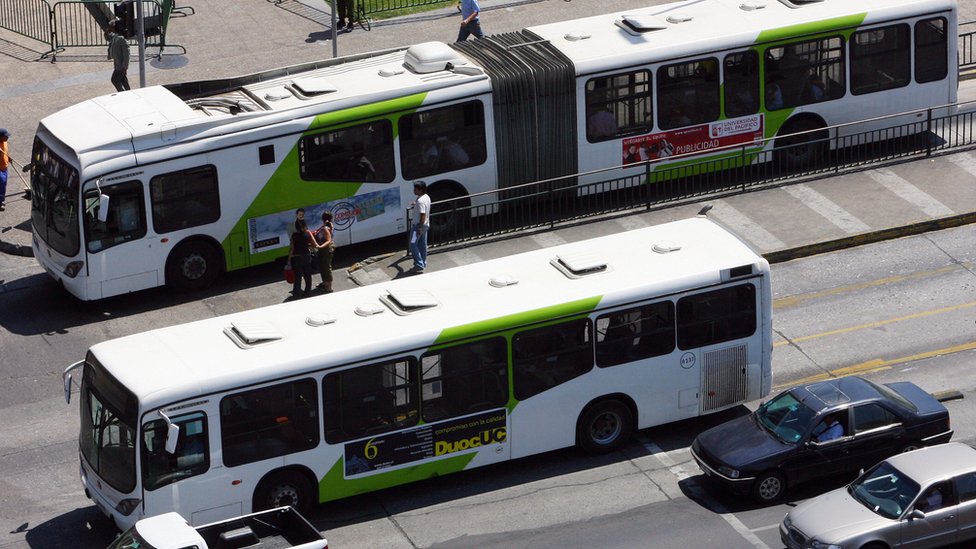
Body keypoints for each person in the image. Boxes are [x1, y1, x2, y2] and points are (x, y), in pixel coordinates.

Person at [287, 219, 315, 296]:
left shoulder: (294, 235)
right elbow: (313, 245)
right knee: (307, 275)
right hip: (306, 256)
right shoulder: (307, 234)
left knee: (298, 276)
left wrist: (289, 259)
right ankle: (308, 291)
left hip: (297, 258)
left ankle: (296, 292)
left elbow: (292, 248)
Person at [409, 181, 430, 272]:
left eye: (415, 189)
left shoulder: (420, 201)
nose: (414, 190)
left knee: (412, 243)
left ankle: (419, 264)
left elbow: (422, 214)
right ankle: (423, 262)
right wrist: (416, 204)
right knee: (422, 244)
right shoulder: (426, 197)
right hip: (426, 225)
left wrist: (419, 228)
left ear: (420, 190)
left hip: (418, 226)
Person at [105, 21, 130, 92]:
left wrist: (125, 67)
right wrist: (107, 32)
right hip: (117, 64)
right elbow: (108, 38)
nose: (110, 29)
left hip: (121, 66)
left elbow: (126, 54)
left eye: (111, 27)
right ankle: (128, 93)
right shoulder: (114, 36)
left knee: (114, 80)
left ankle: (122, 93)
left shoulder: (121, 38)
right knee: (123, 81)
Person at [314, 211, 335, 293]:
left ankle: (329, 287)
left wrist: (320, 246)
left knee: (326, 267)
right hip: (324, 249)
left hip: (326, 249)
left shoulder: (326, 228)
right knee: (322, 266)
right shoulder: (327, 225)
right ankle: (325, 283)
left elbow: (328, 240)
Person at [0, 128, 8, 212]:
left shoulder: (5, 142)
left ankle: (1, 200)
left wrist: (8, 157)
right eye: (5, 136)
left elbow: (5, 151)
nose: (7, 138)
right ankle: (0, 202)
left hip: (5, 167)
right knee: (1, 184)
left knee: (3, 185)